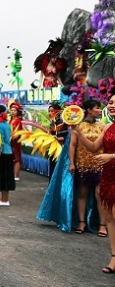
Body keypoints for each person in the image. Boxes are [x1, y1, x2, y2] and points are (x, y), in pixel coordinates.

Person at [73, 93, 115, 273]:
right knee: (111, 219)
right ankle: (114, 258)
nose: (111, 105)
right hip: (108, 178)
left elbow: (105, 154)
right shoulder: (108, 128)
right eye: (110, 102)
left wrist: (111, 156)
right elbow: (92, 147)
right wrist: (78, 132)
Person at [69, 99, 107, 235]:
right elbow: (72, 145)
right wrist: (72, 163)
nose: (100, 110)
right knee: (82, 193)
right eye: (97, 108)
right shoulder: (77, 127)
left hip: (99, 165)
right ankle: (81, 222)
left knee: (99, 195)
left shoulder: (103, 126)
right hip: (82, 164)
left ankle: (102, 225)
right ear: (89, 110)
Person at [48, 103, 69, 181]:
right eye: (49, 111)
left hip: (60, 149)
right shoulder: (53, 123)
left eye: (52, 111)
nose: (50, 113)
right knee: (53, 169)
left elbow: (66, 137)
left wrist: (54, 138)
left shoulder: (62, 123)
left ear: (57, 112)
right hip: (53, 149)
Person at [9, 102, 24, 181]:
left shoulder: (18, 121)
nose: (12, 112)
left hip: (15, 142)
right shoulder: (10, 120)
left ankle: (16, 176)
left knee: (17, 158)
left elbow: (19, 133)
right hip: (10, 142)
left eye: (14, 110)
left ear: (17, 111)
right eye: (11, 110)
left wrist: (13, 137)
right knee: (12, 158)